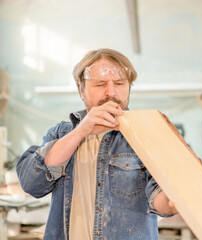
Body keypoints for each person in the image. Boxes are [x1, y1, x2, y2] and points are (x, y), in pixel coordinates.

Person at [16, 48, 177, 240]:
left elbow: (160, 200)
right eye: (100, 84)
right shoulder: (60, 134)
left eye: (119, 83)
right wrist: (82, 131)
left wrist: (175, 199)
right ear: (81, 90)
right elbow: (32, 183)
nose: (111, 92)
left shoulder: (146, 136)